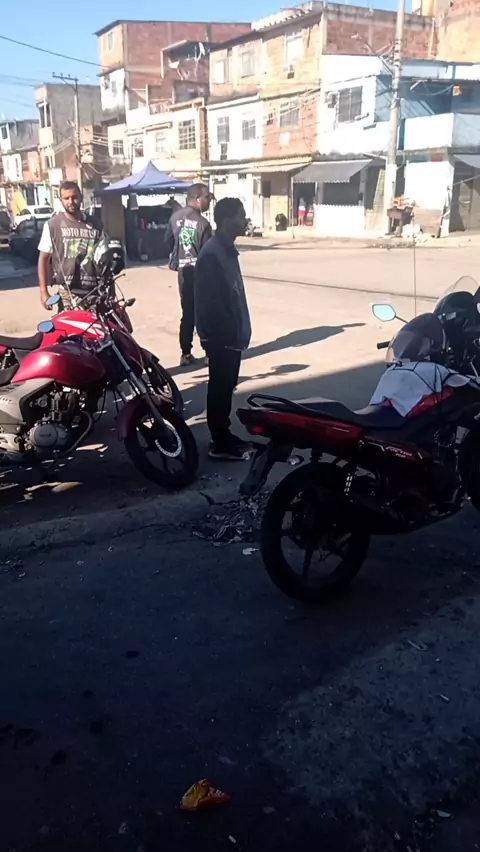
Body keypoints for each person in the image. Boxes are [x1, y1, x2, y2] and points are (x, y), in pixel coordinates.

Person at [194, 197, 251, 461]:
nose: (245, 220)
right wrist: (224, 333)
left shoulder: (226, 249)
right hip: (221, 336)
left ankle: (223, 434)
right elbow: (209, 302)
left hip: (230, 335)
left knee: (226, 386)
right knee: (220, 387)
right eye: (240, 215)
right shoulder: (212, 254)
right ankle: (219, 441)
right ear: (227, 221)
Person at [164, 183, 213, 367]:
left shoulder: (174, 218)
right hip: (201, 274)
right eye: (207, 197)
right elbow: (208, 254)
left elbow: (167, 242)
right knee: (205, 313)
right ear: (198, 199)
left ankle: (185, 353)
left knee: (188, 313)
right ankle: (209, 353)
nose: (208, 201)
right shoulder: (203, 223)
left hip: (184, 273)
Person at [38, 181, 103, 310]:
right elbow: (43, 259)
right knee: (69, 324)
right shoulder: (53, 225)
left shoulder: (96, 224)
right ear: (61, 200)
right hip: (67, 293)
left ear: (81, 197)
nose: (71, 202)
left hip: (94, 292)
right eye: (66, 198)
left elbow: (104, 259)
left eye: (74, 197)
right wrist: (44, 292)